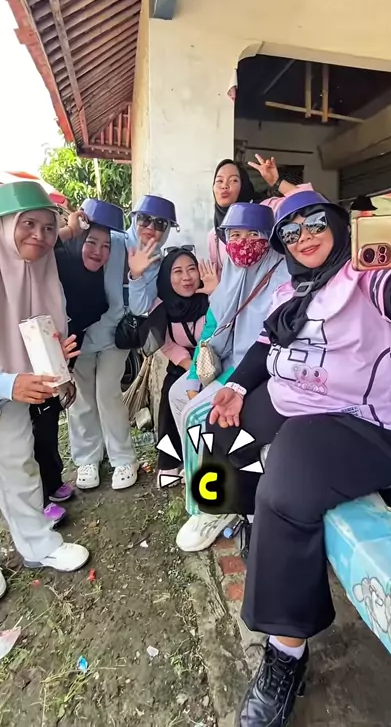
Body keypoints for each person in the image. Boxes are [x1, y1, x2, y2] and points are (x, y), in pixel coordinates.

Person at [205, 191, 391, 727]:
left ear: (338, 224)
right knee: (218, 429)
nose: (304, 237)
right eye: (290, 232)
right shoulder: (292, 288)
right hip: (298, 398)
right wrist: (237, 387)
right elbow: (266, 345)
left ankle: (286, 654)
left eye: (314, 222)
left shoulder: (369, 276)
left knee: (286, 486)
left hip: (367, 424)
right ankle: (246, 521)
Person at [0, 181, 89, 608]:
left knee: (20, 466)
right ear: (1, 226)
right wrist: (10, 383)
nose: (40, 235)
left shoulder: (41, 273)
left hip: (7, 393)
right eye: (28, 224)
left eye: (49, 227)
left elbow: (36, 335)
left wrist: (56, 360)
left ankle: (38, 544)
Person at [169, 202, 289, 551]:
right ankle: (205, 473)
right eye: (234, 235)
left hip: (259, 371)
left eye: (252, 235)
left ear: (269, 238)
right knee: (179, 393)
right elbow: (213, 331)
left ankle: (211, 505)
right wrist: (196, 376)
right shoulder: (233, 273)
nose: (242, 243)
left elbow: (267, 345)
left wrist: (224, 384)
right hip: (226, 364)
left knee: (198, 414)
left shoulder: (283, 275)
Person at [69, 195, 177, 491]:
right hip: (81, 331)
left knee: (107, 394)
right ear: (133, 219)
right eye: (145, 219)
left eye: (160, 223)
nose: (151, 228)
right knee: (81, 397)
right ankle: (87, 458)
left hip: (115, 338)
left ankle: (123, 458)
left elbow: (141, 308)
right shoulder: (111, 241)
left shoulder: (157, 260)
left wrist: (137, 274)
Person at [31, 203, 111, 524]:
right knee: (31, 427)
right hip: (32, 349)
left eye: (105, 246)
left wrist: (66, 371)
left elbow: (78, 327)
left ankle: (52, 483)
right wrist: (70, 230)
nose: (98, 251)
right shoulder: (61, 261)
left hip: (60, 355)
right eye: (91, 242)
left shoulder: (97, 289)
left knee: (49, 419)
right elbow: (42, 247)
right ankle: (37, 501)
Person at [144, 248, 217, 485]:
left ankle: (206, 457)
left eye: (191, 269)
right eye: (177, 271)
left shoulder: (209, 297)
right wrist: (189, 366)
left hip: (215, 359)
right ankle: (170, 462)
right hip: (183, 361)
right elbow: (166, 343)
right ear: (167, 276)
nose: (186, 277)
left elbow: (221, 328)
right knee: (169, 395)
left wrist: (216, 295)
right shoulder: (161, 304)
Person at [209, 156, 303, 276]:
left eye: (234, 180)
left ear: (244, 185)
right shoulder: (214, 236)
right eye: (219, 181)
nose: (224, 186)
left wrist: (277, 182)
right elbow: (219, 276)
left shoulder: (266, 210)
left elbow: (307, 201)